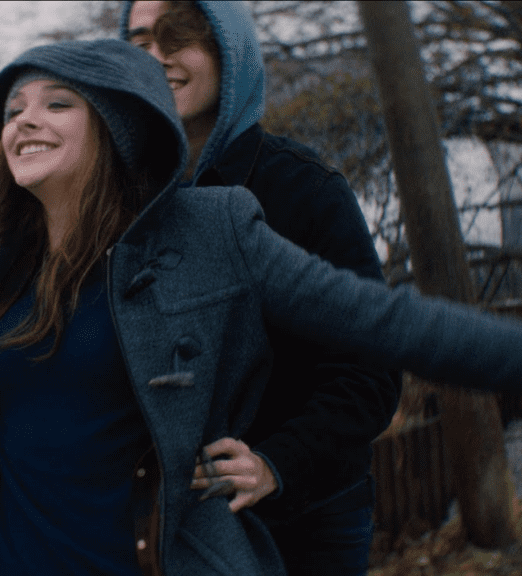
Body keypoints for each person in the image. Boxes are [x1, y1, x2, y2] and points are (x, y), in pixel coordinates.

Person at [0, 39, 522, 576]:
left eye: (56, 103)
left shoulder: (215, 231)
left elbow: (393, 325)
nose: (24, 122)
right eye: (12, 110)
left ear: (118, 127)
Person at [121, 2, 398, 573]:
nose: (157, 57)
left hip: (304, 522)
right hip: (172, 528)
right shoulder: (121, 203)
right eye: (139, 43)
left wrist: (276, 464)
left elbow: (372, 367)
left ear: (231, 49)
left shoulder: (305, 190)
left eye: (178, 36)